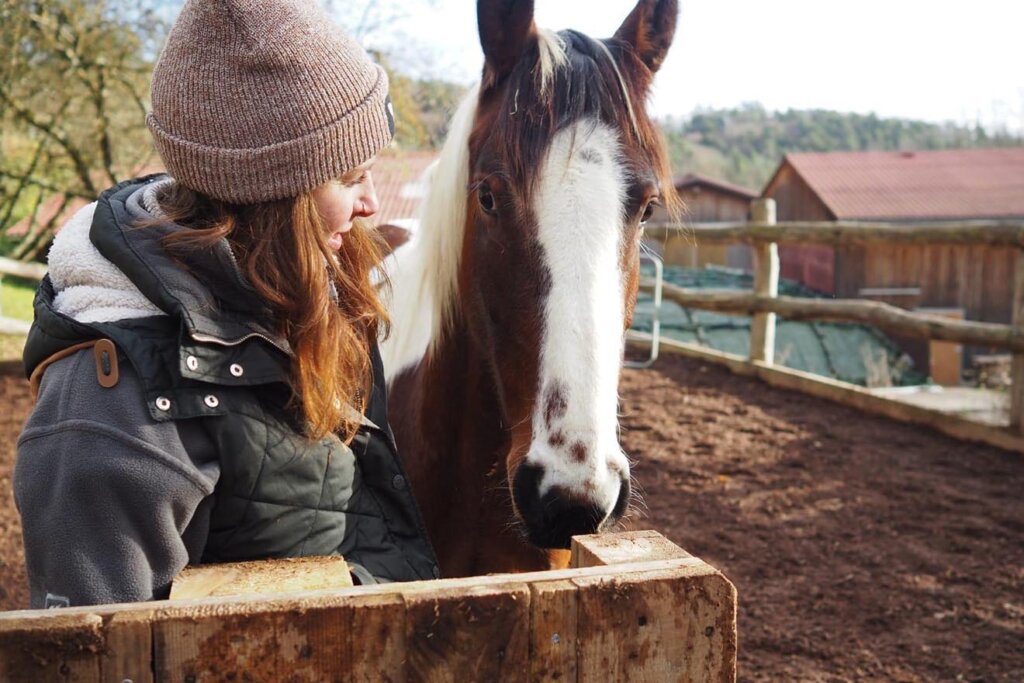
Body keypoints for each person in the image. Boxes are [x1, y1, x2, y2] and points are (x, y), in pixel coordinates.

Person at [13, 0, 438, 609]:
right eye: (349, 177)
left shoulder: (282, 301)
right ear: (271, 193)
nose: (372, 203)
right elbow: (101, 656)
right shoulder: (110, 424)